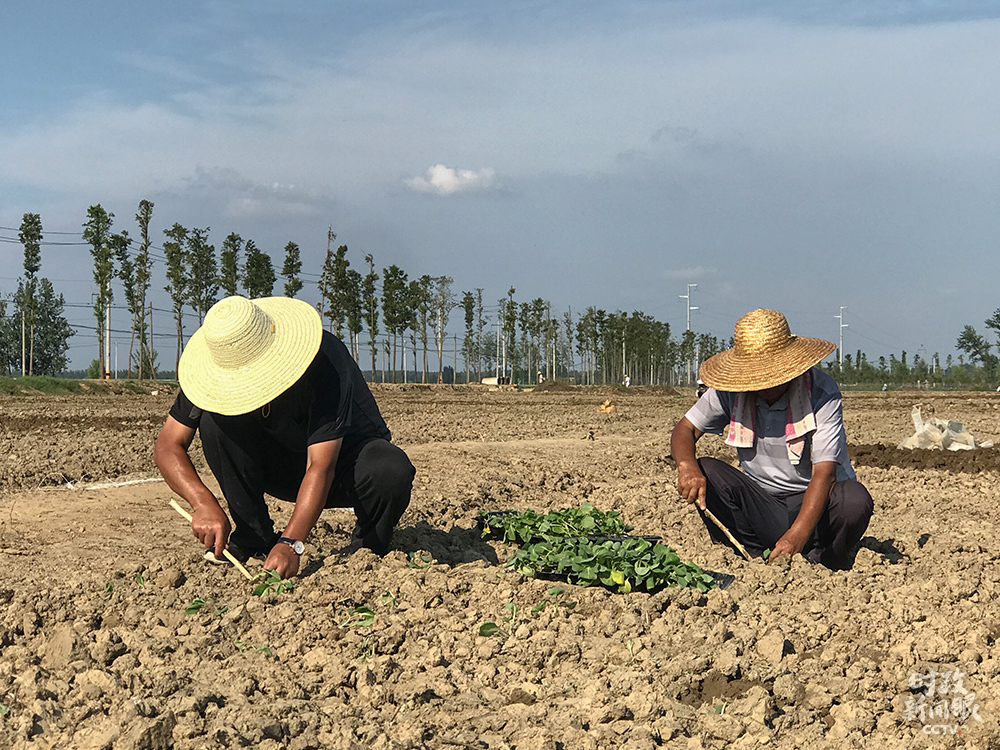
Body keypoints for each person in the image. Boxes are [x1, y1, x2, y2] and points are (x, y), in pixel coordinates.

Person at [155, 295, 415, 579]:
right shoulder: (216, 372)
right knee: (214, 421)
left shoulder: (324, 359)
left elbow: (321, 466)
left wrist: (292, 543)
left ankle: (367, 550)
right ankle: (255, 536)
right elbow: (168, 444)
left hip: (344, 469)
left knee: (390, 469)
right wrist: (202, 503)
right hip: (281, 468)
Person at [670, 308, 873, 570]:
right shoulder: (731, 391)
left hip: (817, 503)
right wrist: (687, 467)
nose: (763, 386)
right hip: (763, 504)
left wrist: (797, 534)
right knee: (707, 470)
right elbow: (684, 429)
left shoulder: (821, 393)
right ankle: (749, 555)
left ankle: (823, 558)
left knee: (854, 500)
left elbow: (825, 474)